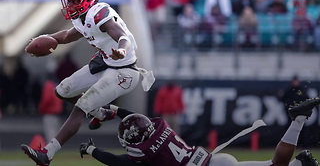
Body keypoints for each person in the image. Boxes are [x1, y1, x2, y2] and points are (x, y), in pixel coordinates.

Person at [20, 0, 155, 165]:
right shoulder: (82, 18)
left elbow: (123, 36)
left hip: (124, 71)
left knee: (81, 107)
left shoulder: (99, 13)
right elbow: (68, 35)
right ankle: (101, 113)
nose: (69, 4)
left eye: (74, 0)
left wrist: (122, 50)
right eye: (69, 0)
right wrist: (48, 38)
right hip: (105, 62)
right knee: (62, 91)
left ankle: (48, 153)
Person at [79, 97, 320, 166]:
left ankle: (298, 120)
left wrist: (92, 149)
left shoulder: (145, 151)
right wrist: (111, 109)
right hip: (215, 160)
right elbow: (133, 116)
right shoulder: (161, 125)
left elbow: (118, 162)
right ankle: (301, 163)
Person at [38, 74, 63, 143]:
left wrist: (41, 108)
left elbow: (46, 99)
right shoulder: (55, 86)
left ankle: (50, 150)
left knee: (50, 133)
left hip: (49, 113)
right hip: (57, 113)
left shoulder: (47, 85)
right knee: (56, 133)